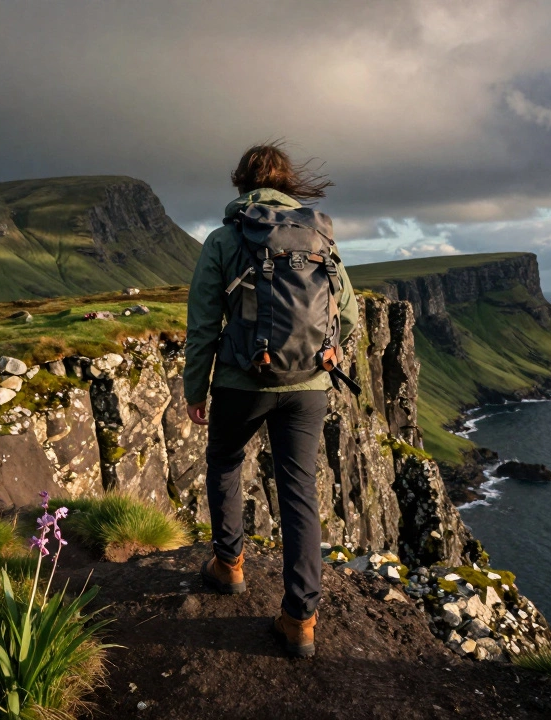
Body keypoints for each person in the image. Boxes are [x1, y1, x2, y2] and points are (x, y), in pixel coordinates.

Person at [184, 141, 358, 657]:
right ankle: (301, 619)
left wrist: (196, 389)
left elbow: (202, 325)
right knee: (299, 490)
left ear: (241, 184)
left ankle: (229, 566)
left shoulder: (223, 239)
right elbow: (346, 315)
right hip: (310, 386)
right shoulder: (319, 236)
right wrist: (321, 358)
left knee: (225, 461)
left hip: (242, 381)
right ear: (287, 185)